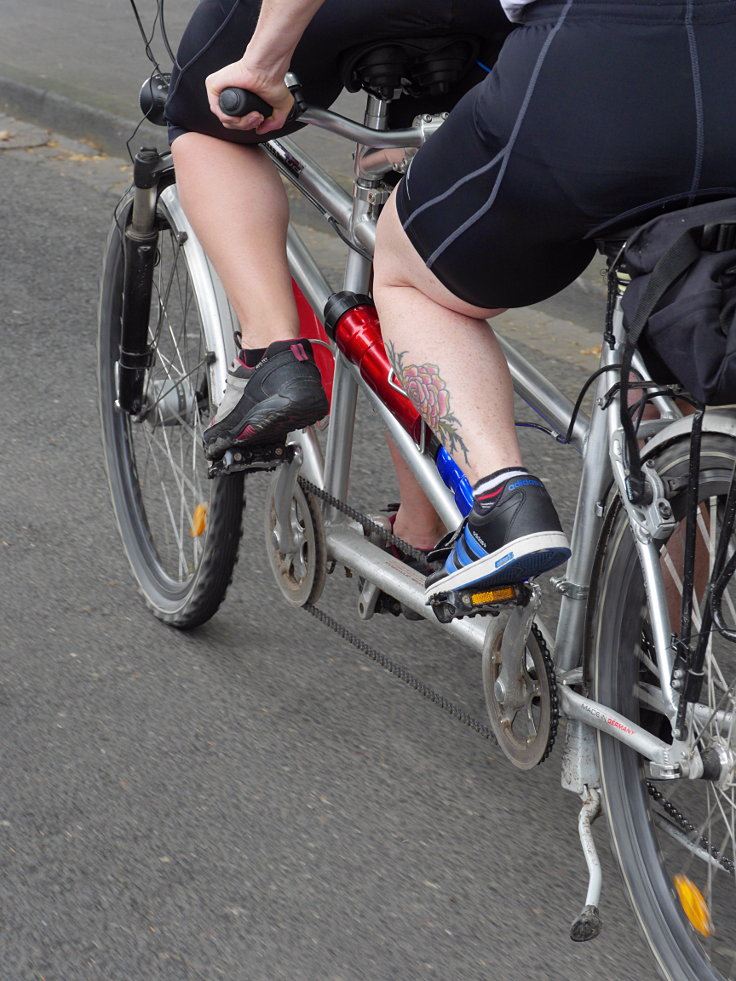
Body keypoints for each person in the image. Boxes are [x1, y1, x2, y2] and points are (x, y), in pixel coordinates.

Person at [203, 0, 736, 607]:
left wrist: (263, 63)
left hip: (595, 65)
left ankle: (501, 497)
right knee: (684, 336)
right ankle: (642, 661)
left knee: (407, 272)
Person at [164, 0, 514, 557]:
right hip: (495, 17)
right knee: (414, 199)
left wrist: (260, 65)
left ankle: (271, 354)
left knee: (205, 123)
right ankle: (423, 525)